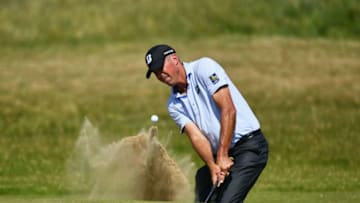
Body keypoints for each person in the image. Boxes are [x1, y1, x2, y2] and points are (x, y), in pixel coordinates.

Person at [144, 44, 269, 203]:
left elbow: (228, 109)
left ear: (174, 59)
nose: (160, 75)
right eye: (155, 72)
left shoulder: (204, 68)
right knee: (203, 182)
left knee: (227, 201)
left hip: (249, 147)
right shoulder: (173, 104)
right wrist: (213, 166)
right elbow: (196, 136)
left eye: (161, 68)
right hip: (221, 154)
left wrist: (223, 155)